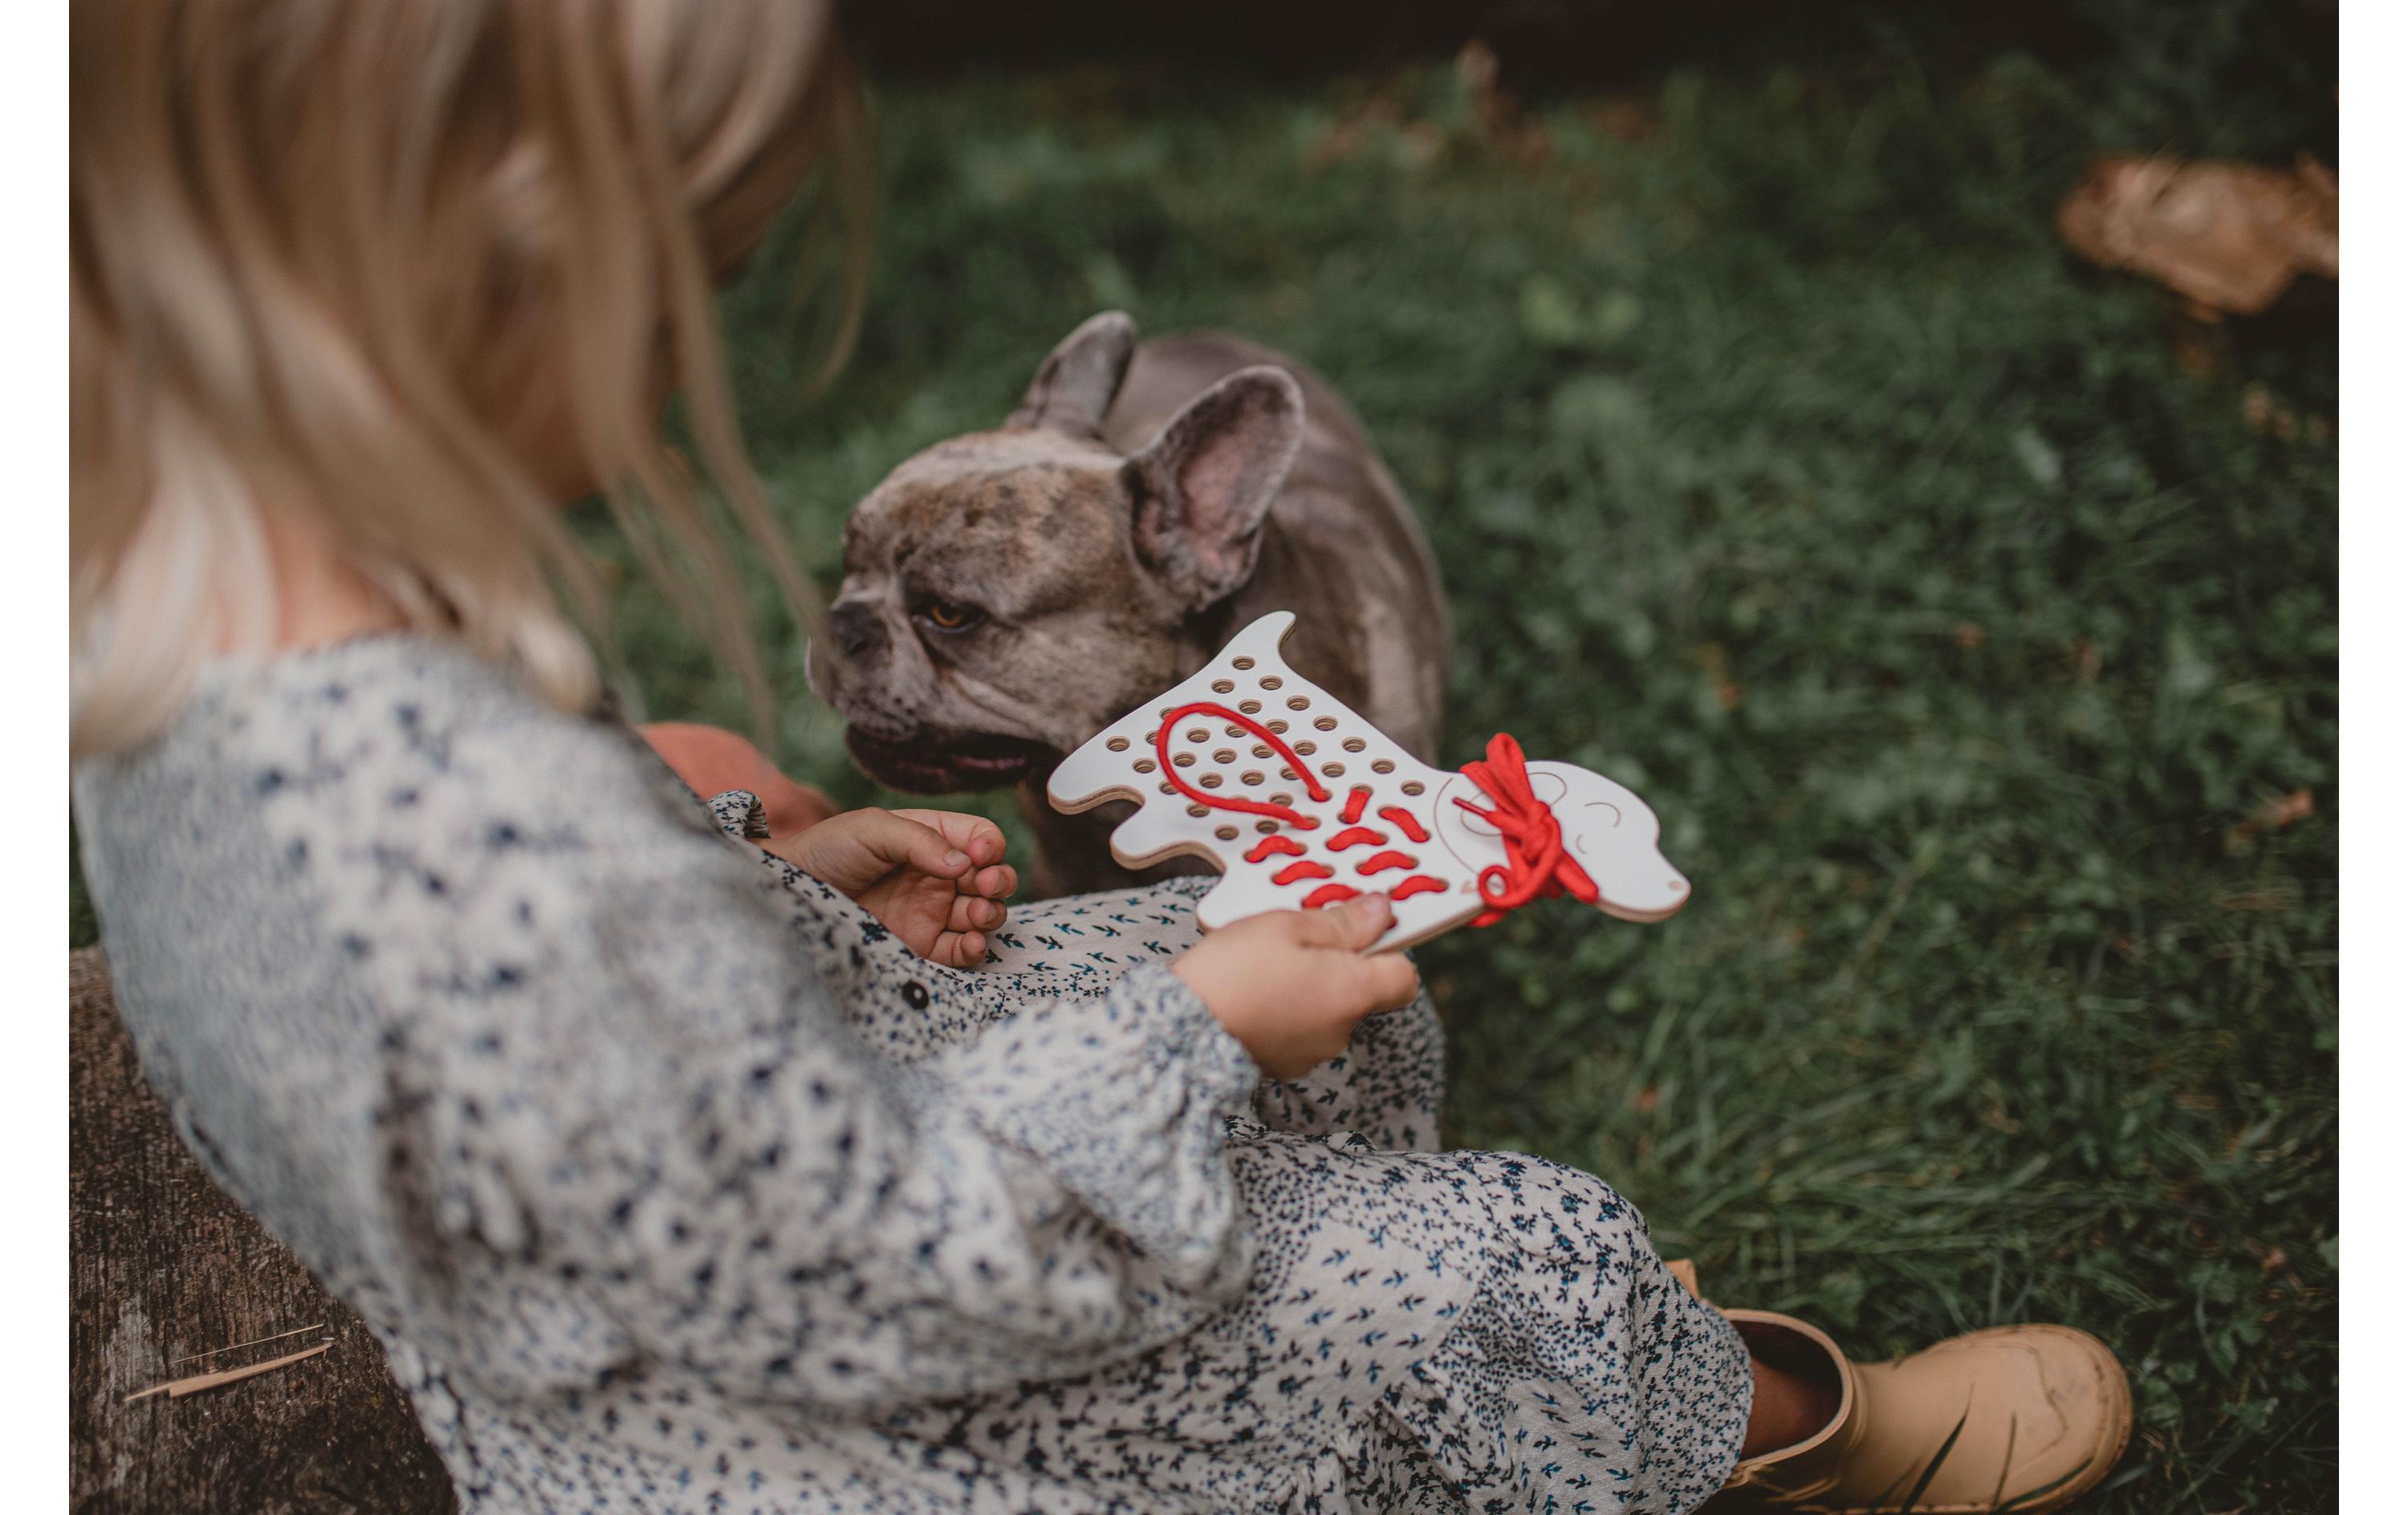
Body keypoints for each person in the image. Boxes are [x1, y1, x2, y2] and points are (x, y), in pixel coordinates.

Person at [68, 3, 2129, 1510]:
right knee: (1520, 1247)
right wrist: (1194, 1025)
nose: (686, 342)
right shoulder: (483, 849)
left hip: (648, 1283)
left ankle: (1359, 1408)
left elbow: (547, 1028)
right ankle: (1711, 1422)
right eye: (687, 281)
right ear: (499, 281)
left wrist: (759, 856)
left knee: (1358, 1035)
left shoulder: (195, 651)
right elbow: (895, 1267)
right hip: (818, 1425)